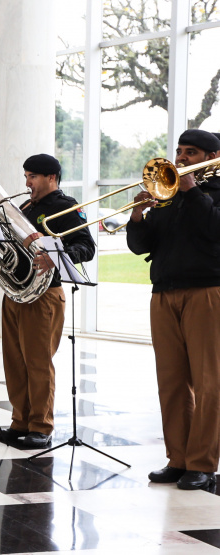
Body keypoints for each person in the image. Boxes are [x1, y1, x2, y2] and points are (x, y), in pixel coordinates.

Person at [127, 129, 220, 490]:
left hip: (207, 293)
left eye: (190, 153)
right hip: (164, 294)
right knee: (171, 382)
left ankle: (203, 463)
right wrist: (137, 216)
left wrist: (191, 190)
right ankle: (178, 459)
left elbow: (213, 229)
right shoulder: (166, 196)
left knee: (209, 383)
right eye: (179, 151)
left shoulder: (207, 194)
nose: (180, 158)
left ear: (211, 156)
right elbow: (141, 246)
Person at [0, 154, 95, 449]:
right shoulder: (24, 207)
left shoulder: (66, 207)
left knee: (38, 362)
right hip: (16, 290)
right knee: (14, 361)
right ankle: (19, 422)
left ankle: (41, 426)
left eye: (32, 177)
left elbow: (86, 247)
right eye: (26, 176)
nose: (27, 183)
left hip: (44, 293)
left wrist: (56, 256)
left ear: (51, 178)